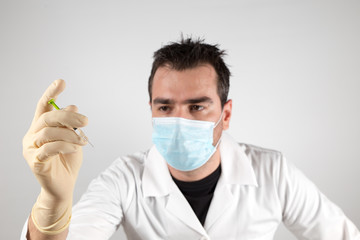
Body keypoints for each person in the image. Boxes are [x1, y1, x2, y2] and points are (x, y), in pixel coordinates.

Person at [22, 37, 360, 240]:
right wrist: (52, 204)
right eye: (165, 107)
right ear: (151, 110)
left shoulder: (273, 171)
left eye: (197, 106)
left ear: (225, 115)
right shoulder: (124, 179)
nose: (180, 120)